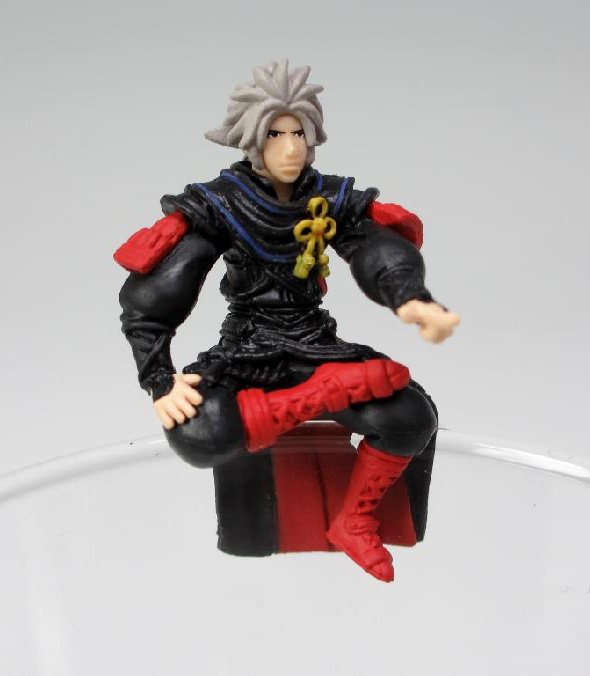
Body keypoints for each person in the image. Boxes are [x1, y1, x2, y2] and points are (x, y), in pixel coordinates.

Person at [115, 60, 459, 582]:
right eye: (276, 134)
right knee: (197, 432)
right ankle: (317, 397)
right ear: (252, 140)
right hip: (246, 348)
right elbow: (162, 287)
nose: (291, 147)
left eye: (299, 133)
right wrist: (159, 377)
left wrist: (410, 297)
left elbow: (374, 248)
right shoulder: (219, 203)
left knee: (410, 418)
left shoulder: (330, 199)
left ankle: (354, 520)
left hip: (314, 344)